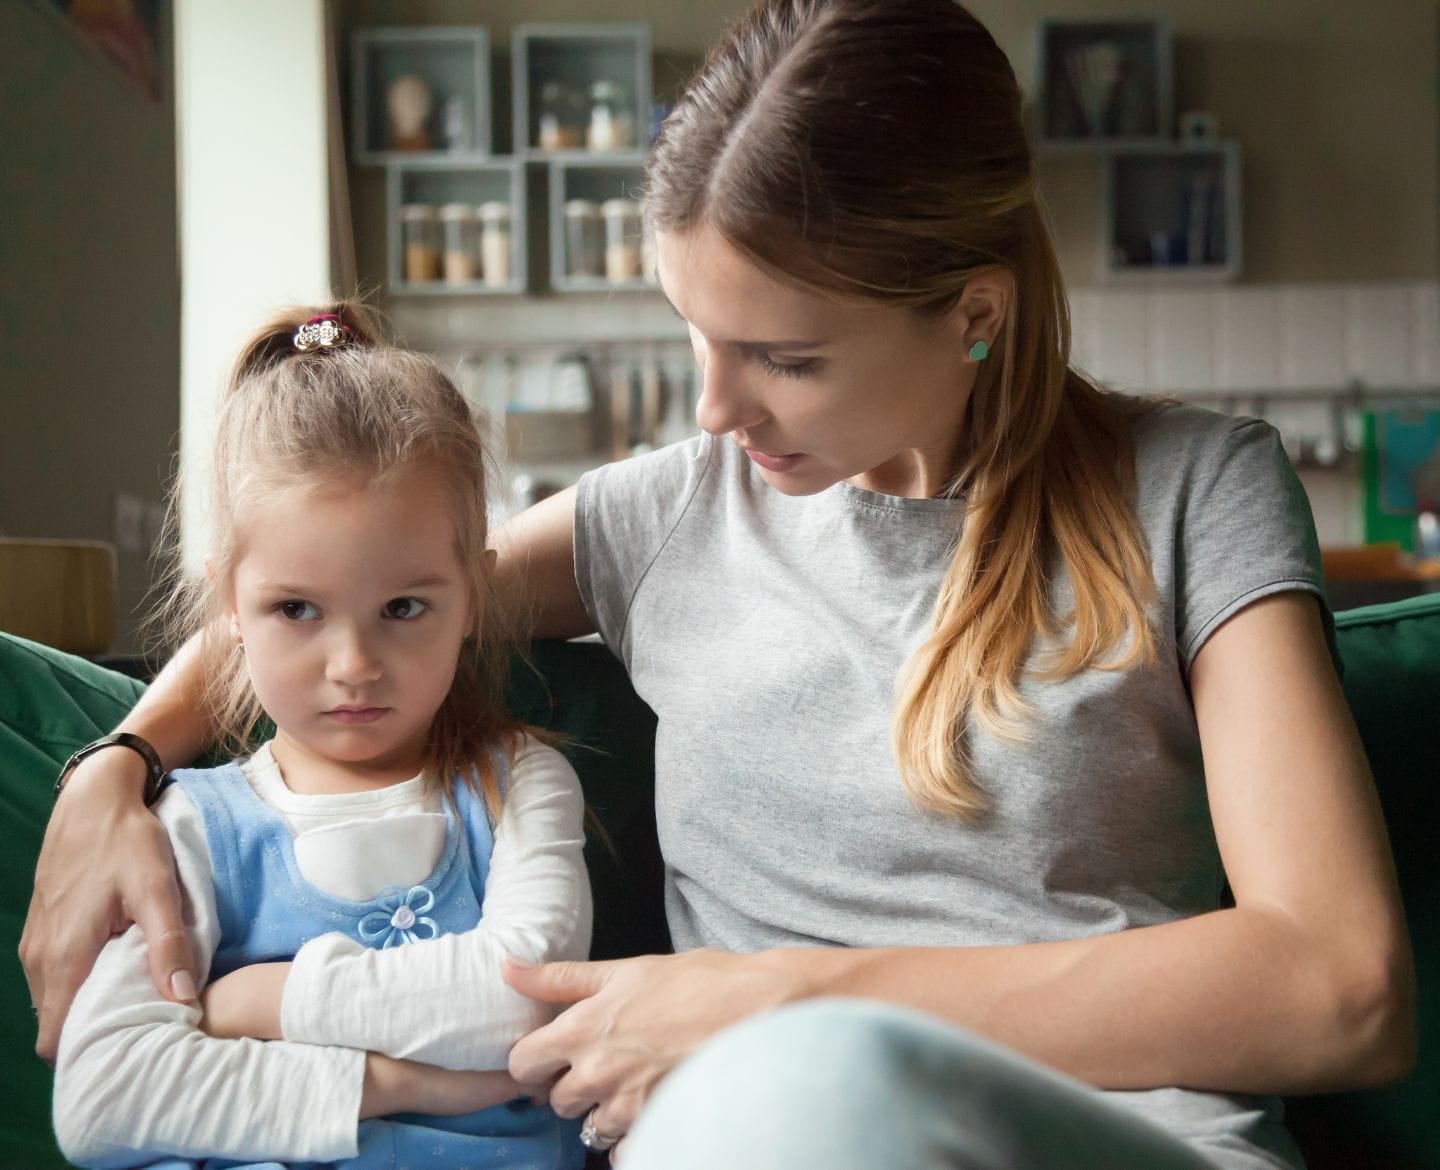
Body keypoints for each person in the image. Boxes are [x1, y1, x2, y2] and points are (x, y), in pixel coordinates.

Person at [25, 2, 1415, 1168]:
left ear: (974, 313)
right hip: (736, 1140)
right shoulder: (666, 516)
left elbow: (1342, 986)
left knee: (814, 1089)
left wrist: (782, 1001)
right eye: (696, 333)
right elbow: (342, 600)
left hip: (1091, 1136)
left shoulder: (1195, 490)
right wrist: (116, 767)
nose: (717, 409)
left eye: (786, 356)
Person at [47, 306, 592, 1169]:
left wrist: (262, 1002)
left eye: (404, 608)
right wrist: (399, 1084)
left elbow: (523, 1002)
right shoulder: (188, 824)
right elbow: (101, 1099)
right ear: (229, 602)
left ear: (473, 596)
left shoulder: (520, 783)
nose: (353, 665)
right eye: (296, 609)